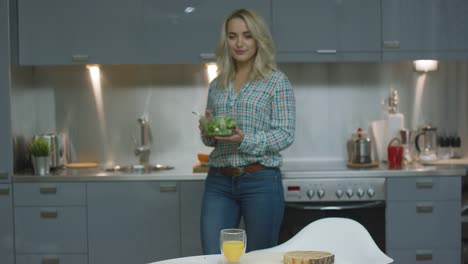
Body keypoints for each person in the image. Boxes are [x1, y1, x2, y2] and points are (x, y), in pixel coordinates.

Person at [199, 8, 296, 254]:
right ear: (226, 40)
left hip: (261, 181)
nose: (239, 43)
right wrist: (207, 129)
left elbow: (285, 134)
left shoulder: (276, 81)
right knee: (213, 256)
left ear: (258, 39)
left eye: (247, 35)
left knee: (261, 258)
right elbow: (212, 141)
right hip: (219, 182)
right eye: (232, 36)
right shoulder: (217, 84)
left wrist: (245, 140)